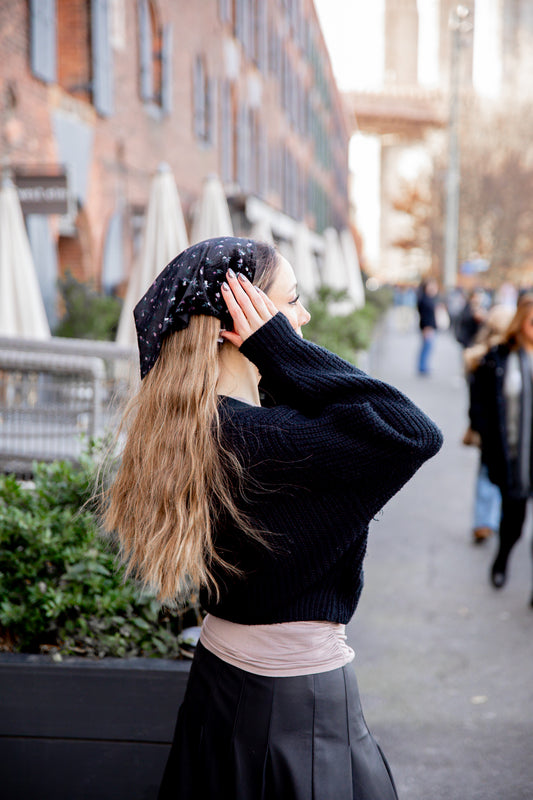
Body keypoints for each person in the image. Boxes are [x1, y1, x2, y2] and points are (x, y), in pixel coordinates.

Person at [104, 237, 443, 799]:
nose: (302, 316)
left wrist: (272, 357)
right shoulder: (268, 440)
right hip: (294, 703)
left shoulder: (194, 428)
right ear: (244, 322)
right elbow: (411, 430)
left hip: (219, 677)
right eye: (291, 301)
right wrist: (281, 351)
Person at [470, 294, 533, 605]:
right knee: (514, 525)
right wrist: (487, 439)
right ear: (520, 323)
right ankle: (502, 558)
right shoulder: (499, 357)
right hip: (515, 458)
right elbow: (479, 403)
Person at [463, 305, 515, 542]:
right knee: (500, 474)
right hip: (496, 427)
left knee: (488, 473)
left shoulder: (480, 355)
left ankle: (485, 521)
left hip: (489, 426)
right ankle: (489, 521)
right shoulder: (491, 357)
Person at [416, 278, 439, 374]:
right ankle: (422, 367)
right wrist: (426, 328)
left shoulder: (429, 298)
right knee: (427, 347)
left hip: (429, 327)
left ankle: (423, 366)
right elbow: (424, 315)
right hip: (427, 327)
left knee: (427, 347)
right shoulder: (424, 300)